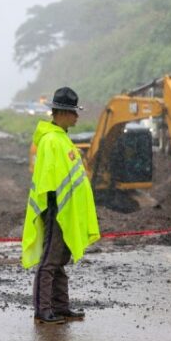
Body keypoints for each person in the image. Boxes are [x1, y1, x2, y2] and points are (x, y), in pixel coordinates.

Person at [21, 87, 101, 324]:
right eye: (74, 112)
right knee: (49, 262)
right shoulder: (51, 141)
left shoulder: (62, 138)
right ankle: (43, 310)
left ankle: (61, 307)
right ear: (62, 113)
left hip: (66, 211)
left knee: (59, 261)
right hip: (56, 209)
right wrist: (55, 210)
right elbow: (49, 179)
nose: (77, 116)